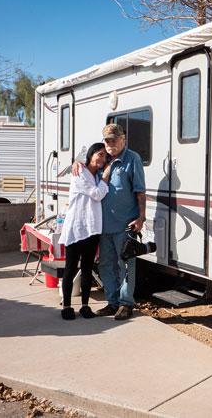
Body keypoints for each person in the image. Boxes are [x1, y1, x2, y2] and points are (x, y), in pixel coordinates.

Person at [72, 123, 146, 320]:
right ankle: (112, 302)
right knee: (105, 265)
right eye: (107, 140)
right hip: (102, 225)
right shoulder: (102, 159)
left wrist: (141, 217)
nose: (110, 143)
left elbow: (140, 191)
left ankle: (126, 304)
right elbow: (86, 162)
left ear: (123, 139)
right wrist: (76, 161)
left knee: (126, 265)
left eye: (114, 139)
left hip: (124, 224)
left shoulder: (132, 159)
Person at [58, 143, 111, 320]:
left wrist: (102, 178)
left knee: (87, 269)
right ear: (90, 155)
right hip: (76, 228)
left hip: (93, 228)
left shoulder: (95, 176)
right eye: (99, 154)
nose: (102, 158)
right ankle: (66, 306)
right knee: (71, 268)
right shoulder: (80, 172)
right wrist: (105, 179)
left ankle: (85, 306)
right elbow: (96, 194)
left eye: (104, 156)